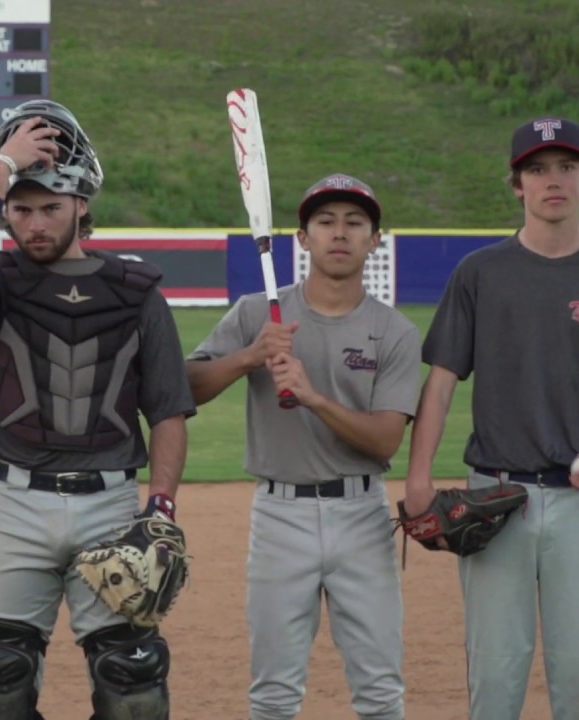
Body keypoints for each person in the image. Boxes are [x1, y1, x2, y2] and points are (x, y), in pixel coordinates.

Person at [403, 118, 579, 720]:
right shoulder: (479, 272)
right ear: (517, 184)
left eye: (567, 168)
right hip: (496, 500)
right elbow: (440, 383)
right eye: (538, 169)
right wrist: (418, 477)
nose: (554, 181)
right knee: (495, 678)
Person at [0, 99, 196, 720]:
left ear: (82, 204)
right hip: (15, 502)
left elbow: (168, 410)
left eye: (50, 207)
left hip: (111, 503)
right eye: (21, 209)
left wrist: (161, 507)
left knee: (132, 684)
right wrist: (0, 167)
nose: (34, 224)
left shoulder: (137, 293)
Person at [186, 174, 421, 720]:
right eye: (326, 221)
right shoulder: (257, 314)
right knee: (273, 693)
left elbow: (385, 440)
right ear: (303, 238)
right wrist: (249, 356)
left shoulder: (395, 332)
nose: (340, 233)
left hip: (362, 515)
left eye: (354, 223)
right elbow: (183, 387)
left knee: (381, 691)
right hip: (279, 514)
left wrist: (314, 398)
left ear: (374, 241)